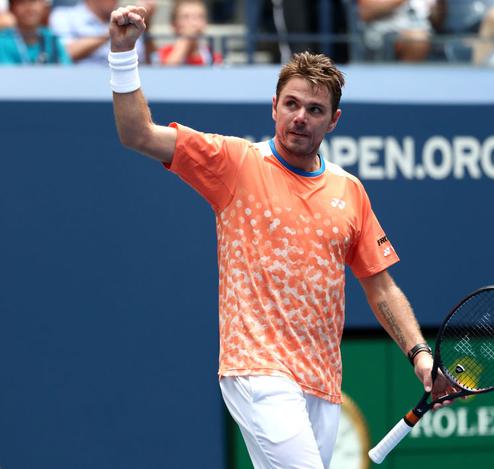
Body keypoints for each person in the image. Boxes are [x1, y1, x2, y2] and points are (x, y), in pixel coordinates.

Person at [108, 4, 453, 468]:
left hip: (322, 383)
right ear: (274, 107)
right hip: (257, 369)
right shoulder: (234, 162)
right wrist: (123, 53)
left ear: (333, 122)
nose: (300, 117)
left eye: (315, 110)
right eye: (291, 104)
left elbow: (381, 285)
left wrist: (420, 354)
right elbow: (137, 134)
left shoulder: (349, 191)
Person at [50, 0, 154, 64]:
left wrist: (146, 24)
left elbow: (146, 62)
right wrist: (111, 33)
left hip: (122, 84)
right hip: (79, 89)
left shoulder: (126, 19)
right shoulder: (64, 15)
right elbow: (65, 53)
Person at [357, 0, 442, 61]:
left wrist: (438, 9)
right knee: (416, 39)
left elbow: (437, 20)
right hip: (382, 34)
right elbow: (365, 13)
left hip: (425, 32)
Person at [0, 0, 71, 65]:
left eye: (34, 1)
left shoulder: (52, 40)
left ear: (44, 6)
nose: (29, 8)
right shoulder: (3, 43)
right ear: (11, 8)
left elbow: (66, 71)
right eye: (22, 2)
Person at [154, 0, 222, 66]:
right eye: (186, 17)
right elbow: (165, 73)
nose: (193, 23)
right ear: (174, 24)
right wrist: (185, 41)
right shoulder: (164, 53)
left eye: (199, 17)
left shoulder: (212, 57)